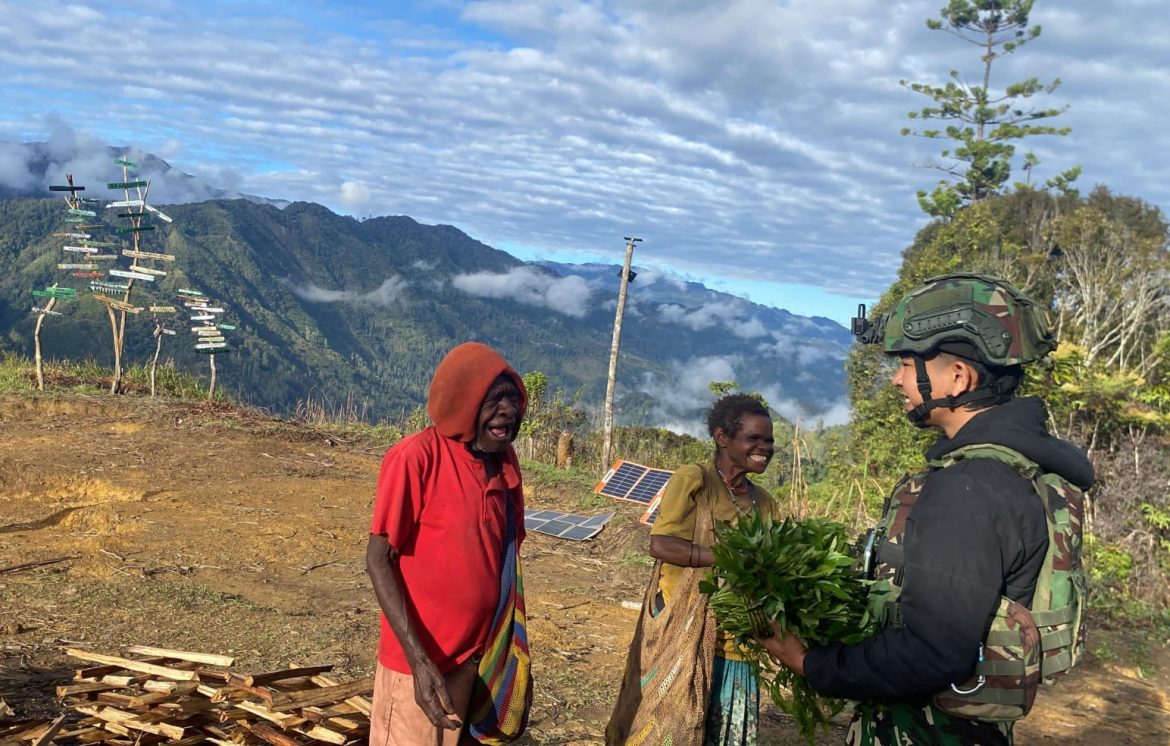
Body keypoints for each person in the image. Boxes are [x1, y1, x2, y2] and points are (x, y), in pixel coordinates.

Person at [761, 273, 1094, 746]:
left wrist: (810, 663)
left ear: (959, 378)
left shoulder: (970, 488)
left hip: (925, 730)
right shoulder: (1023, 471)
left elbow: (931, 651)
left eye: (908, 364)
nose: (897, 379)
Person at [366, 341, 528, 746]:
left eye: (513, 401)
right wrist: (420, 663)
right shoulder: (415, 458)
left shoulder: (505, 463)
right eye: (494, 401)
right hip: (421, 667)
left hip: (479, 661)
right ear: (463, 403)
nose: (507, 412)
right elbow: (378, 560)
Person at [609, 393, 778, 745]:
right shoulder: (696, 480)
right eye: (754, 439)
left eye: (769, 441)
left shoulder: (764, 503)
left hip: (736, 638)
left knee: (722, 730)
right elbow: (662, 544)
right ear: (722, 437)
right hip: (682, 626)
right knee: (669, 723)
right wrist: (726, 555)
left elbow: (773, 563)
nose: (764, 447)